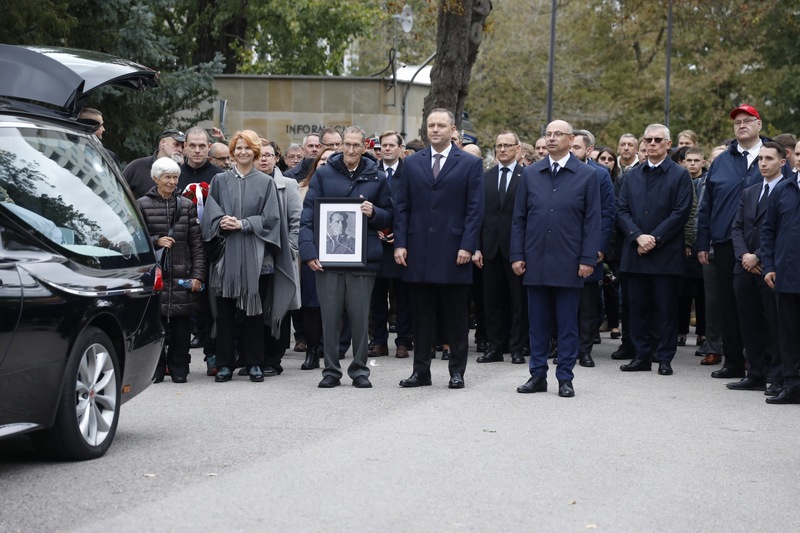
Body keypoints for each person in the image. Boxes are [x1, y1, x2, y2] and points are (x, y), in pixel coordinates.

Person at [394, 108, 484, 389]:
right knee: (422, 317)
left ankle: (457, 371)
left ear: (453, 130)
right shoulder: (411, 163)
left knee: (456, 317)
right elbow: (402, 207)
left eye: (441, 125)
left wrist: (468, 245)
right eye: (431, 125)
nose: (435, 130)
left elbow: (475, 210)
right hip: (418, 250)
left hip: (454, 251)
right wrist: (400, 243)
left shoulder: (469, 164)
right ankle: (421, 371)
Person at [510, 120, 601, 397]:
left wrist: (587, 259)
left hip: (569, 261)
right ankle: (537, 375)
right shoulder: (531, 173)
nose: (551, 139)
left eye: (557, 134)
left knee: (567, 324)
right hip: (535, 259)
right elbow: (519, 219)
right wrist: (517, 254)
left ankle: (565, 377)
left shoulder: (587, 175)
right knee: (537, 324)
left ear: (570, 139)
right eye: (547, 134)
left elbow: (592, 220)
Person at [299, 126, 392, 389]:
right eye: (346, 145)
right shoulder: (324, 174)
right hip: (328, 260)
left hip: (364, 260)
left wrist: (374, 212)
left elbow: (390, 216)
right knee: (329, 316)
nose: (351, 150)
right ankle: (330, 370)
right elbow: (308, 217)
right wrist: (308, 252)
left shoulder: (377, 176)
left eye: (356, 145)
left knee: (361, 317)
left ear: (364, 147)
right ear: (341, 146)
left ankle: (360, 370)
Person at [201, 130, 282, 383]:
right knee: (224, 312)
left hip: (257, 258)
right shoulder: (220, 181)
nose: (243, 152)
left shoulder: (265, 182)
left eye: (248, 148)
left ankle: (254, 363)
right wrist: (221, 220)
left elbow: (271, 219)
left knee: (254, 312)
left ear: (255, 152)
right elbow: (209, 214)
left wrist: (245, 224)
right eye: (238, 148)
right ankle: (225, 364)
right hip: (227, 257)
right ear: (232, 152)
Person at [697, 104, 767, 379]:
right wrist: (703, 243)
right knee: (729, 304)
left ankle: (763, 364)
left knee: (760, 305)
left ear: (759, 125)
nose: (741, 125)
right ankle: (734, 361)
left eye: (748, 121)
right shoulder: (722, 161)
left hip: (761, 245)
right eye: (737, 122)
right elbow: (706, 206)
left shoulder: (770, 156)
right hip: (725, 243)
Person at [617, 124, 693, 376]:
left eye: (657, 140)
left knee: (665, 308)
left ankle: (664, 357)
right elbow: (621, 210)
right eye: (648, 139)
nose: (651, 144)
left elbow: (681, 212)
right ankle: (641, 356)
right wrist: (638, 237)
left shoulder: (679, 175)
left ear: (668, 144)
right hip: (635, 252)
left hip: (666, 254)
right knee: (637, 308)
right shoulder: (632, 175)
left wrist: (654, 238)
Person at [137, 157, 206, 383]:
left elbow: (197, 244)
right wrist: (156, 241)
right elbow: (134, 240)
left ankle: (179, 368)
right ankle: (155, 369)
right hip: (154, 276)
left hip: (182, 275)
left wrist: (198, 275)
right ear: (156, 178)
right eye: (167, 177)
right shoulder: (141, 204)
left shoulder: (186, 205)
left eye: (175, 177)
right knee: (154, 326)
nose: (172, 182)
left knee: (181, 327)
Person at [728, 142, 784, 392]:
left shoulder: (788, 190)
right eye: (760, 158)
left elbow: (784, 231)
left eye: (769, 158)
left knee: (774, 323)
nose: (763, 163)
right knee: (747, 322)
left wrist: (758, 257)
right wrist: (744, 256)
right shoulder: (749, 191)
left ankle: (777, 374)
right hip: (744, 267)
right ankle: (755, 373)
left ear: (782, 162)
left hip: (770, 267)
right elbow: (737, 227)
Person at [474, 131, 527, 365]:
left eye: (507, 145)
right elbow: (476, 215)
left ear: (518, 149)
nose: (502, 149)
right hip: (490, 249)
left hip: (516, 250)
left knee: (519, 302)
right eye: (499, 145)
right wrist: (476, 247)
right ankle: (495, 347)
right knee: (492, 301)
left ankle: (516, 347)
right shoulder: (485, 177)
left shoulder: (527, 176)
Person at [571, 130, 616, 368]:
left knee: (588, 303)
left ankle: (584, 350)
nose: (572, 151)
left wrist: (600, 247)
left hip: (589, 247)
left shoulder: (600, 174)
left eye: (576, 147)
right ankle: (564, 347)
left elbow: (608, 213)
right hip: (563, 248)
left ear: (589, 150)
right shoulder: (560, 172)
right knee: (565, 301)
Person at [369, 131, 414, 359]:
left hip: (401, 243)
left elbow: (414, 207)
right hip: (376, 241)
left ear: (400, 149)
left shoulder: (410, 173)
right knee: (377, 297)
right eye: (383, 146)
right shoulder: (371, 172)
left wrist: (400, 234)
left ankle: (403, 341)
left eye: (391, 145)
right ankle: (378, 341)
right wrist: (374, 227)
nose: (386, 149)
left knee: (403, 297)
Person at [761, 154, 800, 404]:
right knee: (788, 333)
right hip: (787, 274)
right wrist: (769, 266)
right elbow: (768, 230)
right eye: (798, 153)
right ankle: (791, 384)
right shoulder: (784, 188)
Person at [297, 148, 335, 370]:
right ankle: (312, 350)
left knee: (334, 305)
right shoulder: (302, 189)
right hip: (311, 250)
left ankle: (330, 348)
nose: (326, 163)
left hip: (339, 251)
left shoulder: (343, 187)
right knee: (311, 303)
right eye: (322, 159)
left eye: (331, 160)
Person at [124, 129, 186, 198]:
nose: (180, 150)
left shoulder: (185, 171)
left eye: (183, 147)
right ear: (162, 143)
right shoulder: (137, 167)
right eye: (176, 144)